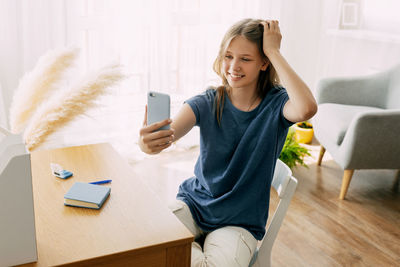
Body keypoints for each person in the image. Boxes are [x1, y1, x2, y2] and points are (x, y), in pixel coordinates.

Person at [139, 18, 317, 267]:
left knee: (168, 255)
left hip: (239, 222)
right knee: (143, 244)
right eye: (228, 56)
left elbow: (307, 108)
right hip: (194, 206)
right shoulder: (208, 101)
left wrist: (274, 50)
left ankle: (189, 247)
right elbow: (170, 133)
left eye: (245, 59)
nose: (233, 66)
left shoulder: (277, 105)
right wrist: (148, 143)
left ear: (264, 62)